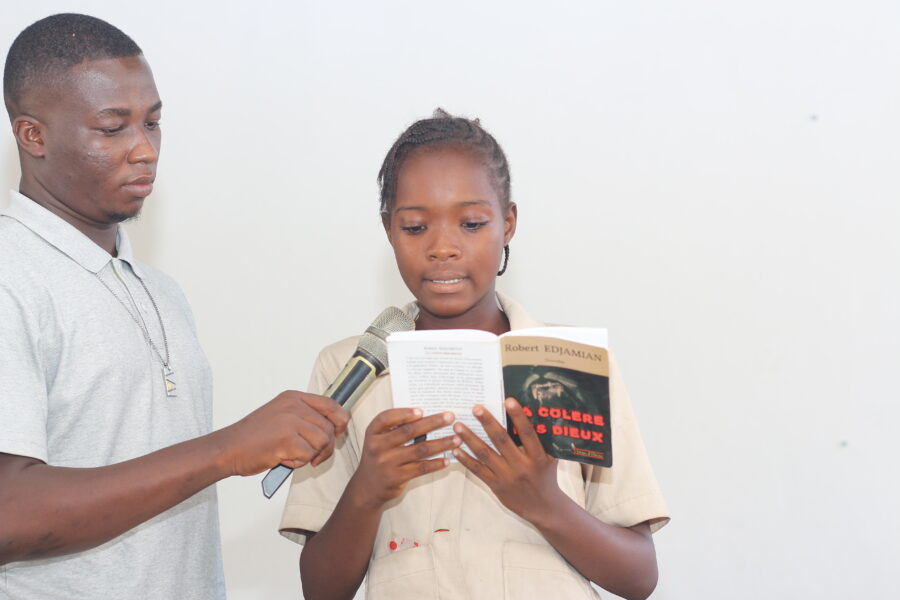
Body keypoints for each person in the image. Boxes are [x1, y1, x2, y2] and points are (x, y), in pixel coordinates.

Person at [0, 13, 348, 599]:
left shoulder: (160, 291)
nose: (144, 149)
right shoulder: (11, 275)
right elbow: (8, 512)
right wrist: (226, 450)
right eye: (112, 128)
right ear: (32, 135)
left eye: (153, 123)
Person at [278, 109, 670, 600]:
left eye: (471, 223)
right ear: (388, 229)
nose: (443, 247)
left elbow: (638, 577)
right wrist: (366, 491)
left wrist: (543, 502)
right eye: (415, 227)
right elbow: (320, 589)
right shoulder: (348, 370)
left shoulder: (575, 362)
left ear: (508, 223)